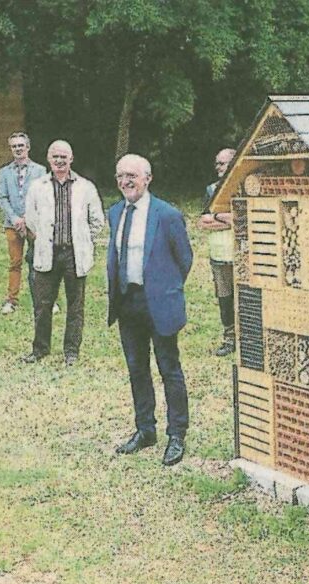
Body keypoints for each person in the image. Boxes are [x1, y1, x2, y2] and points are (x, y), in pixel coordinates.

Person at [107, 154, 193, 466]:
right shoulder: (116, 212)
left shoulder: (167, 215)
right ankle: (145, 430)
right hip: (128, 303)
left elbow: (185, 258)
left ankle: (177, 433)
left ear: (148, 178)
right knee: (136, 368)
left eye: (131, 175)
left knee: (169, 368)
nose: (125, 182)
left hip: (159, 303)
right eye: (120, 176)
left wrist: (165, 287)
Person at [21, 140, 105, 366]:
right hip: (48, 252)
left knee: (75, 305)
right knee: (42, 304)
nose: (59, 160)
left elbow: (97, 220)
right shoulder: (37, 186)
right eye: (55, 156)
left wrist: (84, 240)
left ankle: (71, 351)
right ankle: (40, 349)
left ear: (71, 159)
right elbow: (30, 218)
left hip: (74, 254)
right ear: (48, 159)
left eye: (63, 156)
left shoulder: (85, 187)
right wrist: (44, 239)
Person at [0, 131, 47, 315]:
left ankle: (46, 298)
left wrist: (28, 218)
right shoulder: (4, 172)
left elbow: (43, 196)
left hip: (34, 224)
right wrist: (15, 218)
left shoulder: (40, 171)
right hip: (12, 224)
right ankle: (11, 300)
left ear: (28, 147)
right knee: (15, 262)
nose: (18, 149)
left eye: (21, 145)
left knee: (40, 261)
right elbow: (2, 198)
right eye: (14, 146)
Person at [196, 147, 236, 356]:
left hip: (241, 254)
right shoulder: (211, 190)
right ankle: (229, 338)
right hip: (219, 255)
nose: (219, 167)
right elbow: (203, 221)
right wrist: (226, 218)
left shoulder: (242, 187)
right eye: (217, 163)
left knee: (247, 298)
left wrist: (218, 216)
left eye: (224, 163)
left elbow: (243, 219)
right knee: (225, 299)